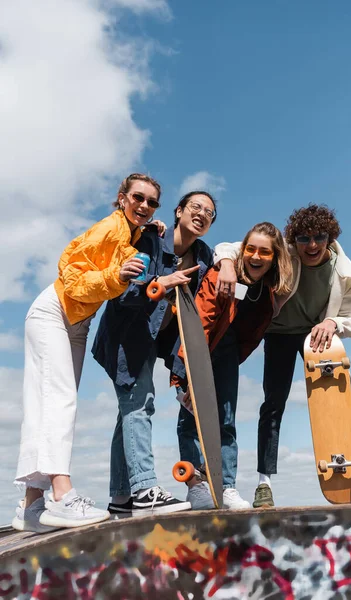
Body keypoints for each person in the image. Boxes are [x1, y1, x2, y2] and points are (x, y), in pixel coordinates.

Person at [13, 173, 163, 533]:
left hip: (75, 324)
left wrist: (148, 232)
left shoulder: (130, 233)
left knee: (48, 402)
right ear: (122, 198)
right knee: (60, 398)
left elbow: (128, 255)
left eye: (151, 202)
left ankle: (31, 505)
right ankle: (62, 495)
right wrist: (116, 275)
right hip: (55, 312)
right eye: (138, 198)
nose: (144, 206)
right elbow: (70, 273)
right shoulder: (109, 228)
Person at [214, 204, 351, 507]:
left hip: (316, 335)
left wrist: (333, 322)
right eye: (304, 238)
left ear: (330, 238)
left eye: (319, 237)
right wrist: (228, 264)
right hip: (279, 333)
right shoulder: (284, 251)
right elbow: (230, 247)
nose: (311, 245)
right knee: (274, 404)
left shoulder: (345, 272)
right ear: (293, 240)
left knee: (335, 403)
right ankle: (263, 485)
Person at [92, 191, 217, 516]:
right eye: (195, 207)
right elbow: (125, 291)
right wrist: (161, 282)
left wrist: (182, 374)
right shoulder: (149, 240)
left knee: (129, 414)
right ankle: (145, 489)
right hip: (128, 337)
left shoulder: (204, 255)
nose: (202, 213)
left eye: (209, 212)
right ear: (179, 211)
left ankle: (120, 500)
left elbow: (195, 314)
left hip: (158, 342)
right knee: (141, 402)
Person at [173, 222, 293, 510]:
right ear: (243, 250)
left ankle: (226, 487)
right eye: (250, 249)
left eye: (264, 252)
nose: (255, 256)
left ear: (274, 257)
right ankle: (196, 486)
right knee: (191, 418)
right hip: (199, 348)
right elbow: (199, 322)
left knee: (226, 419)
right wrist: (185, 374)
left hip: (227, 353)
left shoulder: (267, 290)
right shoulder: (222, 273)